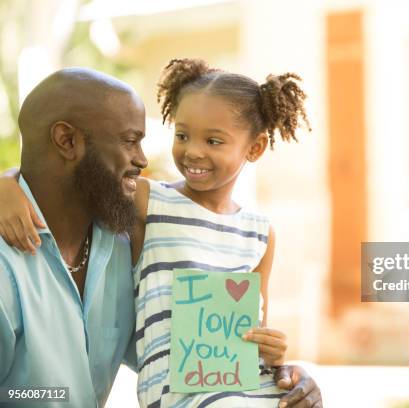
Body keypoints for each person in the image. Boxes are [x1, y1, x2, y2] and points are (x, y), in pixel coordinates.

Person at [0, 67, 322, 408]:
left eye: (213, 140)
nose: (142, 158)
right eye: (130, 141)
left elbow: (214, 348)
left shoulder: (123, 248)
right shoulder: (146, 207)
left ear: (254, 149)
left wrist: (284, 374)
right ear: (67, 141)